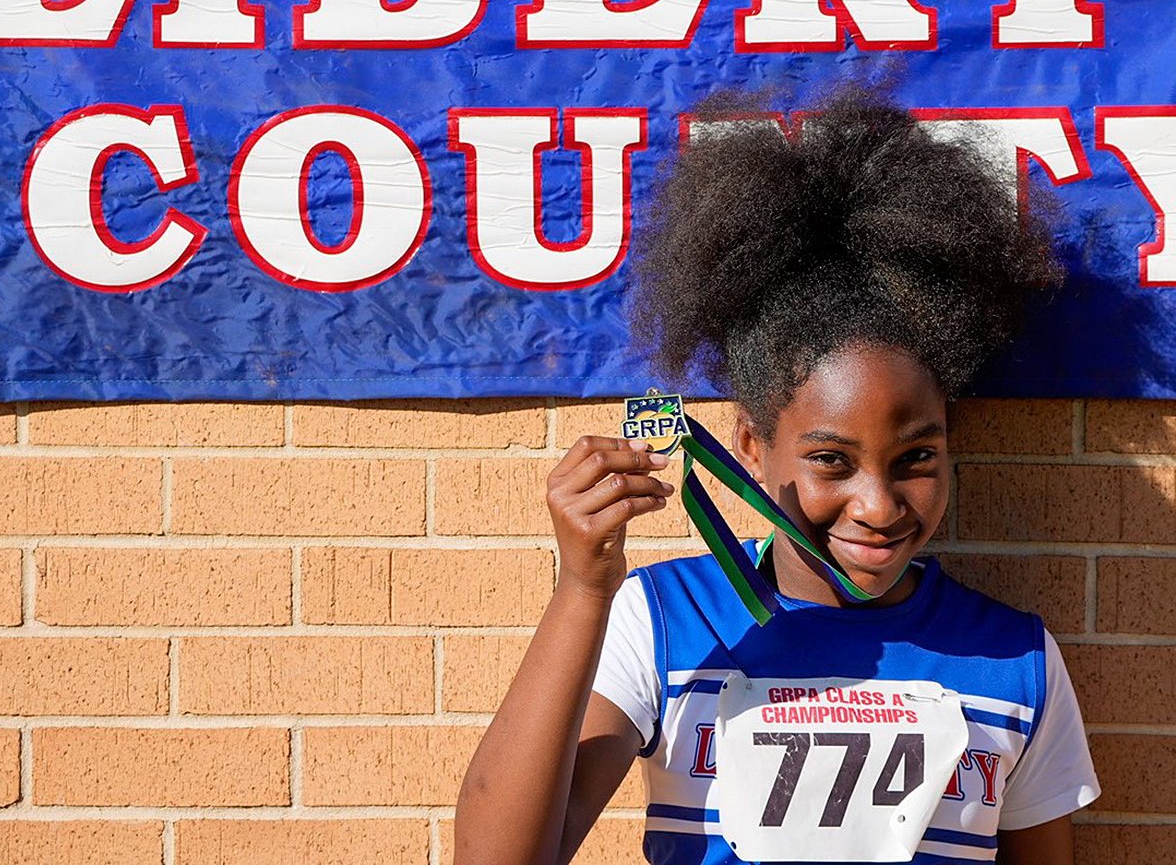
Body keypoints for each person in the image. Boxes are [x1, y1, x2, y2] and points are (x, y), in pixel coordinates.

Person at [456, 90, 1099, 865]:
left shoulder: (1015, 658)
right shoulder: (667, 621)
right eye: (832, 460)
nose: (878, 504)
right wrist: (583, 589)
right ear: (751, 448)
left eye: (916, 459)